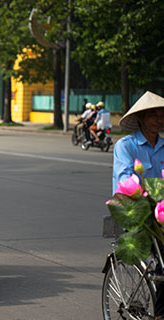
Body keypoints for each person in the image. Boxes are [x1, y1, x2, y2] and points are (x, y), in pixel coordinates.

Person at [111, 91, 164, 319]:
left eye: (161, 115)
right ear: (141, 117)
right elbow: (126, 180)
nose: (159, 120)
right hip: (136, 211)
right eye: (153, 115)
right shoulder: (126, 146)